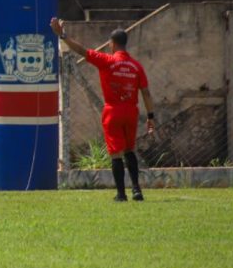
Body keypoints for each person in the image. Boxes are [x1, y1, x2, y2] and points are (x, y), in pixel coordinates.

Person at [50, 18, 155, 202]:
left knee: (116, 153)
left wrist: (63, 35)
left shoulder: (106, 61)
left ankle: (121, 194)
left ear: (112, 44)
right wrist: (151, 116)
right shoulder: (136, 66)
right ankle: (137, 190)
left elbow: (82, 51)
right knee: (130, 150)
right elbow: (146, 93)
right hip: (131, 111)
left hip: (113, 111)